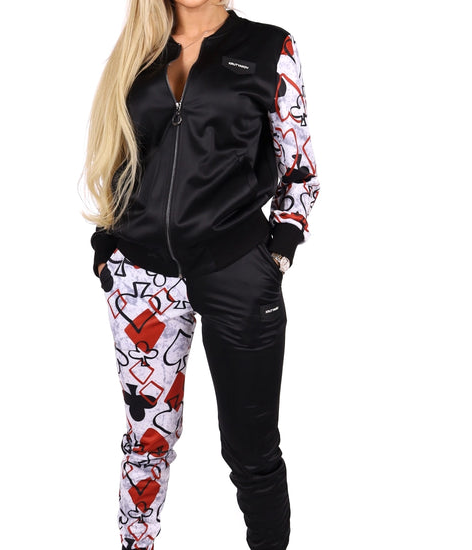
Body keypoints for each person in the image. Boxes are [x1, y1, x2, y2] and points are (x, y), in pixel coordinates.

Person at [79, 1, 321, 548]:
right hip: (139, 275)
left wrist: (277, 255)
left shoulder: (268, 47)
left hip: (237, 270)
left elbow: (300, 171)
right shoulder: (139, 49)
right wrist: (106, 245)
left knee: (251, 448)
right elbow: (121, 154)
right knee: (147, 440)